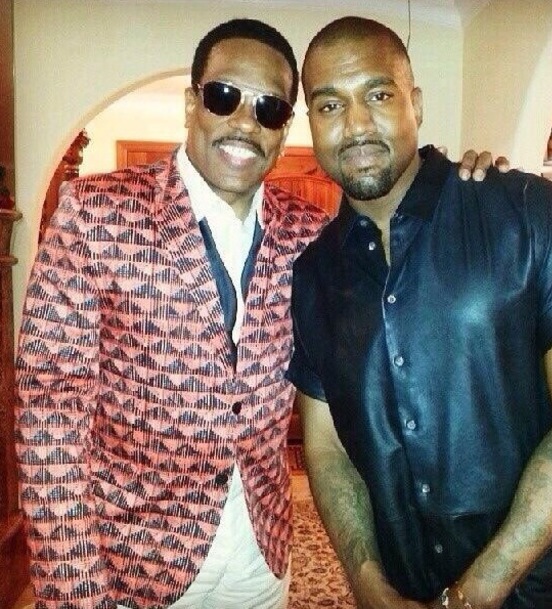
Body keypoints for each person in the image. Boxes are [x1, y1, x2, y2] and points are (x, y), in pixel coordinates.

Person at [14, 17, 499, 609]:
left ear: (286, 127)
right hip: (131, 561)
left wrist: (466, 191)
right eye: (225, 96)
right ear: (192, 103)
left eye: (269, 108)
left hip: (261, 558)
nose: (246, 121)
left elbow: (399, 243)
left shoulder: (311, 234)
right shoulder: (94, 213)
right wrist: (75, 591)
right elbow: (50, 417)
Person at [288, 16, 552, 609]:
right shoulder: (314, 276)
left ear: (415, 104)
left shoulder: (525, 212)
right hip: (406, 587)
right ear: (310, 121)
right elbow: (329, 448)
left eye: (378, 95)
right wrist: (366, 583)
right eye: (330, 105)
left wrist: (476, 591)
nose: (356, 125)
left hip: (551, 591)